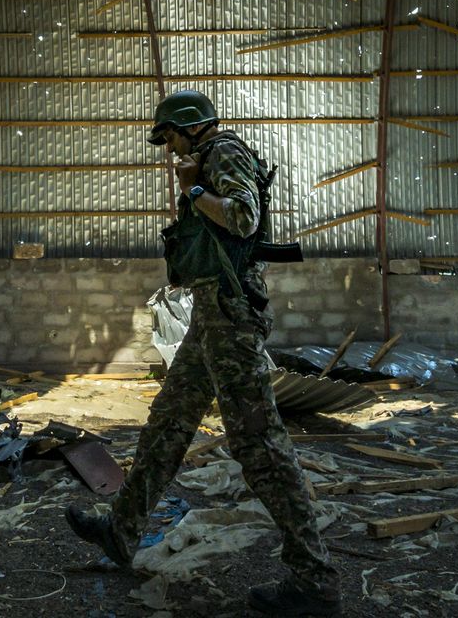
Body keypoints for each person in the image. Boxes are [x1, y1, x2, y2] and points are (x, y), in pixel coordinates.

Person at [65, 90, 339, 616]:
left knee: (261, 449)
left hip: (232, 321)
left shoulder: (224, 154)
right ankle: (121, 534)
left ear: (191, 127)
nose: (167, 149)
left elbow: (241, 219)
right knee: (167, 427)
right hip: (213, 318)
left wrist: (192, 193)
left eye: (168, 136)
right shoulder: (208, 157)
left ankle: (316, 580)